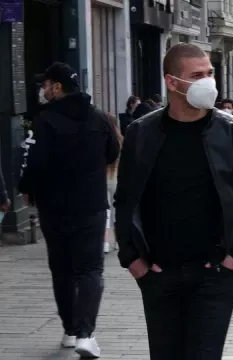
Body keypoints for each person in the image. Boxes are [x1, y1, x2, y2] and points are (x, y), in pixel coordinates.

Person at [113, 43, 233, 360]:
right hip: (158, 274)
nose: (208, 81)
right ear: (172, 82)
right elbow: (125, 201)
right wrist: (133, 260)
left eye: (209, 73)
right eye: (197, 75)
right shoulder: (142, 133)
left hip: (216, 274)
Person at [19, 62, 120, 357]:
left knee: (61, 269)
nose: (43, 90)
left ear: (58, 87)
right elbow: (113, 152)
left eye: (46, 84)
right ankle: (86, 335)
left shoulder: (45, 121)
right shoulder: (99, 118)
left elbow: (33, 161)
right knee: (90, 269)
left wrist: (28, 188)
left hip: (54, 208)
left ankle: (70, 329)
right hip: (90, 206)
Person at [105, 113, 124, 254]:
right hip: (118, 180)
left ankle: (105, 242)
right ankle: (118, 241)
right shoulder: (122, 140)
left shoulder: (100, 139)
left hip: (103, 180)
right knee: (117, 212)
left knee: (105, 213)